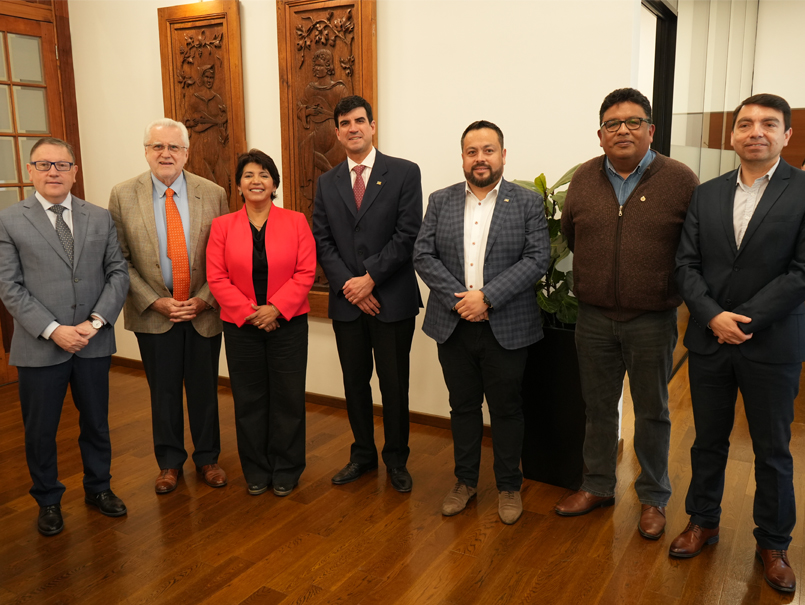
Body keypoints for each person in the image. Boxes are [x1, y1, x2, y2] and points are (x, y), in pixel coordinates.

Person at [671, 93, 804, 593]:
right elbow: (686, 264)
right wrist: (712, 316)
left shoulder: (802, 191)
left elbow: (801, 272)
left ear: (786, 135)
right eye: (745, 124)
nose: (756, 132)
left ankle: (773, 542)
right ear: (732, 136)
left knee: (772, 449)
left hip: (772, 341)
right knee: (707, 440)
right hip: (710, 340)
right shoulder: (706, 193)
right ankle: (702, 521)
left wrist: (743, 321)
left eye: (768, 124)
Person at [555, 88, 699, 540]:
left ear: (651, 131)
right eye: (612, 123)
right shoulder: (583, 178)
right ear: (600, 135)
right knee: (598, 408)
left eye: (633, 122)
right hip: (594, 317)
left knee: (653, 411)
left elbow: (693, 248)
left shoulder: (680, 179)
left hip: (652, 319)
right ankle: (597, 485)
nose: (623, 130)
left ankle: (654, 496)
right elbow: (572, 234)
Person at [413, 120, 549, 524]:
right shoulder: (440, 200)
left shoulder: (526, 202)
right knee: (463, 406)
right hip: (453, 325)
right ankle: (465, 482)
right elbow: (423, 255)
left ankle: (508, 486)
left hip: (507, 327)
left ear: (503, 155)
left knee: (507, 409)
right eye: (472, 152)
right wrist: (462, 302)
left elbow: (537, 258)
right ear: (462, 158)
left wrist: (486, 297)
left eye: (488, 150)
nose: (480, 158)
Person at [0, 138, 129, 535]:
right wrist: (54, 330)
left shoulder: (100, 217)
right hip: (39, 346)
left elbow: (118, 272)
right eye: (44, 164)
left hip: (93, 342)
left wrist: (96, 322)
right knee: (41, 431)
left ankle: (99, 488)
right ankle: (48, 500)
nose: (53, 171)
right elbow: (9, 286)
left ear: (75, 171)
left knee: (96, 423)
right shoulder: (8, 220)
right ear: (30, 171)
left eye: (61, 164)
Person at [108, 118, 229, 495]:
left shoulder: (213, 193)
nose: (166, 153)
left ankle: (208, 457)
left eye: (174, 147)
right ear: (146, 151)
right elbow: (119, 259)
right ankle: (169, 463)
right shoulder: (122, 195)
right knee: (163, 392)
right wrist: (155, 301)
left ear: (186, 153)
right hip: (153, 313)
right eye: (157, 146)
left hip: (202, 310)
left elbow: (224, 255)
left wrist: (205, 298)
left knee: (205, 390)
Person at [312, 95, 422, 493]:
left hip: (391, 300)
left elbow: (408, 234)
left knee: (394, 385)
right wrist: (352, 286)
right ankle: (362, 455)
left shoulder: (404, 172)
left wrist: (370, 278)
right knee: (354, 383)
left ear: (372, 126)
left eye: (360, 120)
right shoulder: (327, 182)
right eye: (345, 123)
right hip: (348, 302)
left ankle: (396, 460)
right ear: (337, 132)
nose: (353, 128)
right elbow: (322, 239)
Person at [207, 149, 315, 497]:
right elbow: (216, 277)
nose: (256, 181)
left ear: (274, 184)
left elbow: (306, 271)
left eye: (264, 175)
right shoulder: (222, 226)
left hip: (288, 325)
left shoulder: (296, 221)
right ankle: (255, 469)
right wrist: (251, 313)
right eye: (249, 175)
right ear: (239, 185)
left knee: (288, 398)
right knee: (248, 399)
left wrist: (276, 309)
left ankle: (287, 468)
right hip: (241, 327)